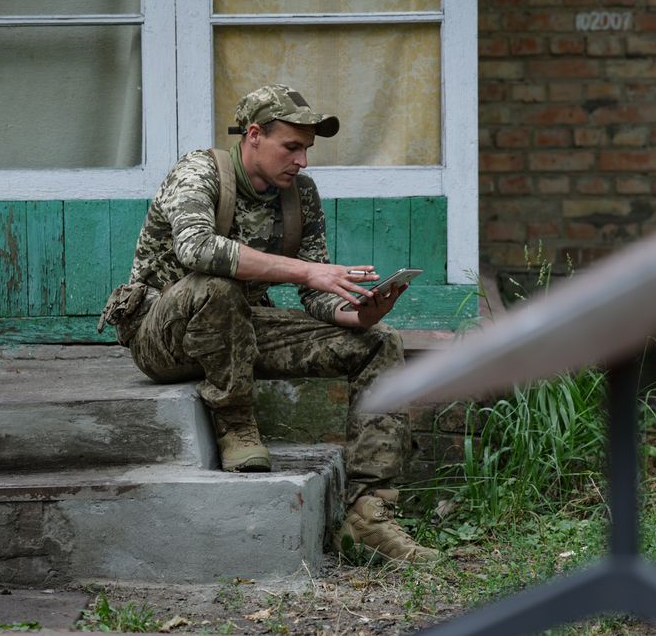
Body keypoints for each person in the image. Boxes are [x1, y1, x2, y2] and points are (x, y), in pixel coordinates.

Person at [100, 84, 438, 563]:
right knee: (216, 286)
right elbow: (196, 248)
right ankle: (236, 423)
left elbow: (315, 293)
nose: (302, 161)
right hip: (164, 337)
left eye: (307, 149)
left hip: (239, 330)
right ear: (254, 135)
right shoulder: (199, 171)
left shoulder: (299, 195)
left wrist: (355, 314)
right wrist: (306, 271)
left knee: (379, 342)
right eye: (292, 147)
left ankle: (368, 512)